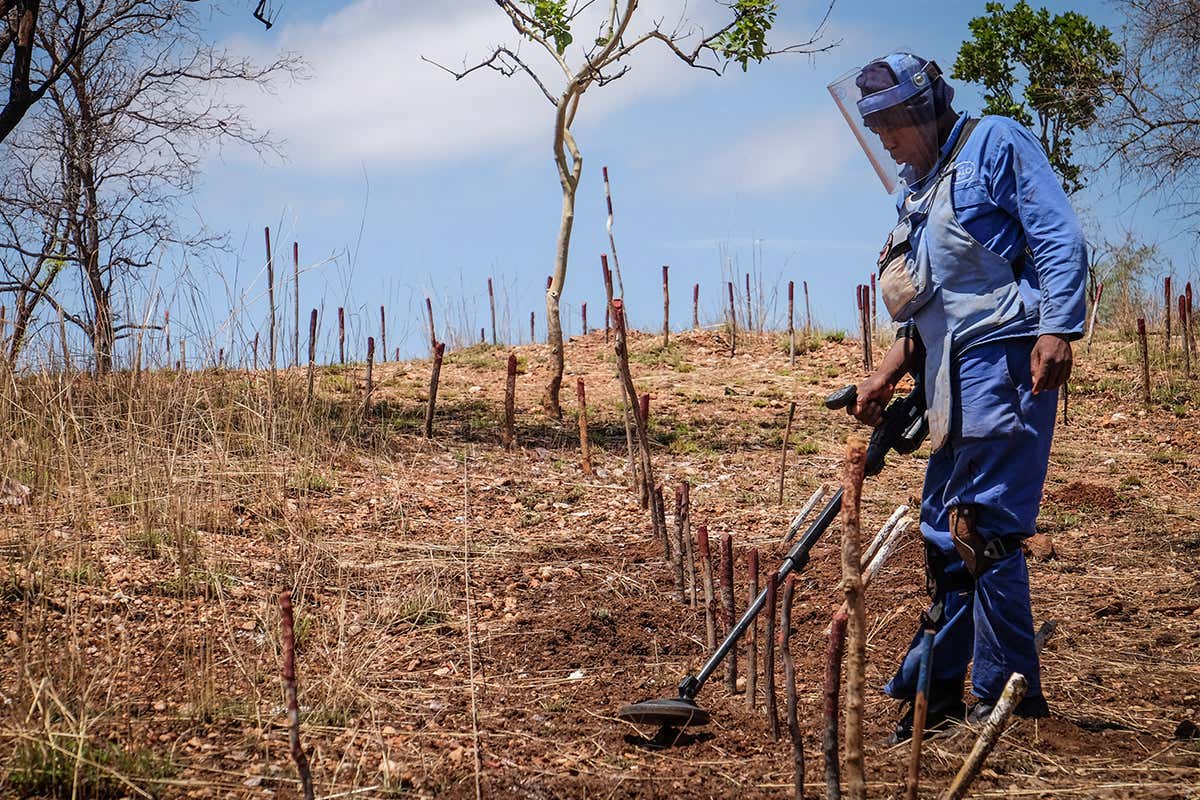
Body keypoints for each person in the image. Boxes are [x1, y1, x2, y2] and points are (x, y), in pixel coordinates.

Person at [828, 52, 1087, 742]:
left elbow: (1059, 235)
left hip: (1006, 366)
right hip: (950, 381)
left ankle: (1005, 696)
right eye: (873, 127)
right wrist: (884, 376)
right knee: (945, 534)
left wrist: (1060, 327)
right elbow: (928, 312)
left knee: (987, 531)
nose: (883, 139)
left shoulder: (995, 143)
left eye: (889, 123)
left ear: (921, 109)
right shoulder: (918, 189)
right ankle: (934, 699)